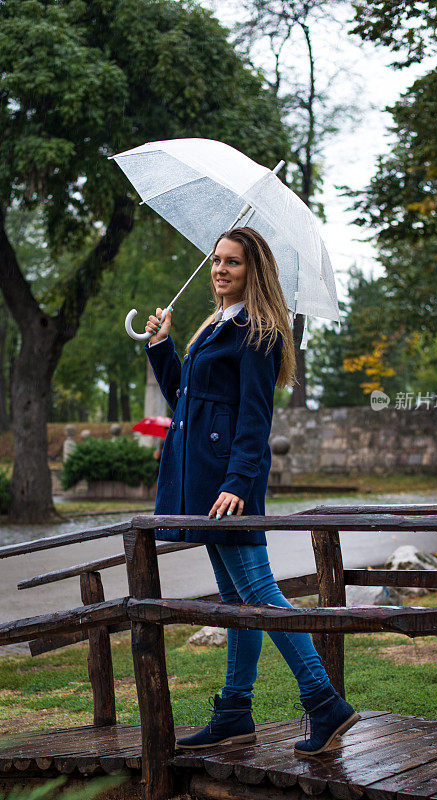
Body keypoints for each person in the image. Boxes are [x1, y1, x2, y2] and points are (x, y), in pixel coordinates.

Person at [144, 227, 359, 756]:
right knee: (240, 600)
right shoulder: (212, 328)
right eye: (217, 261)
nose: (220, 270)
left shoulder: (258, 333)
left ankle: (324, 702)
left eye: (232, 263)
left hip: (228, 487)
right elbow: (186, 399)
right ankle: (236, 712)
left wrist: (239, 481)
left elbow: (254, 416)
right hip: (205, 485)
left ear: (252, 272)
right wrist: (161, 348)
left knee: (260, 595)